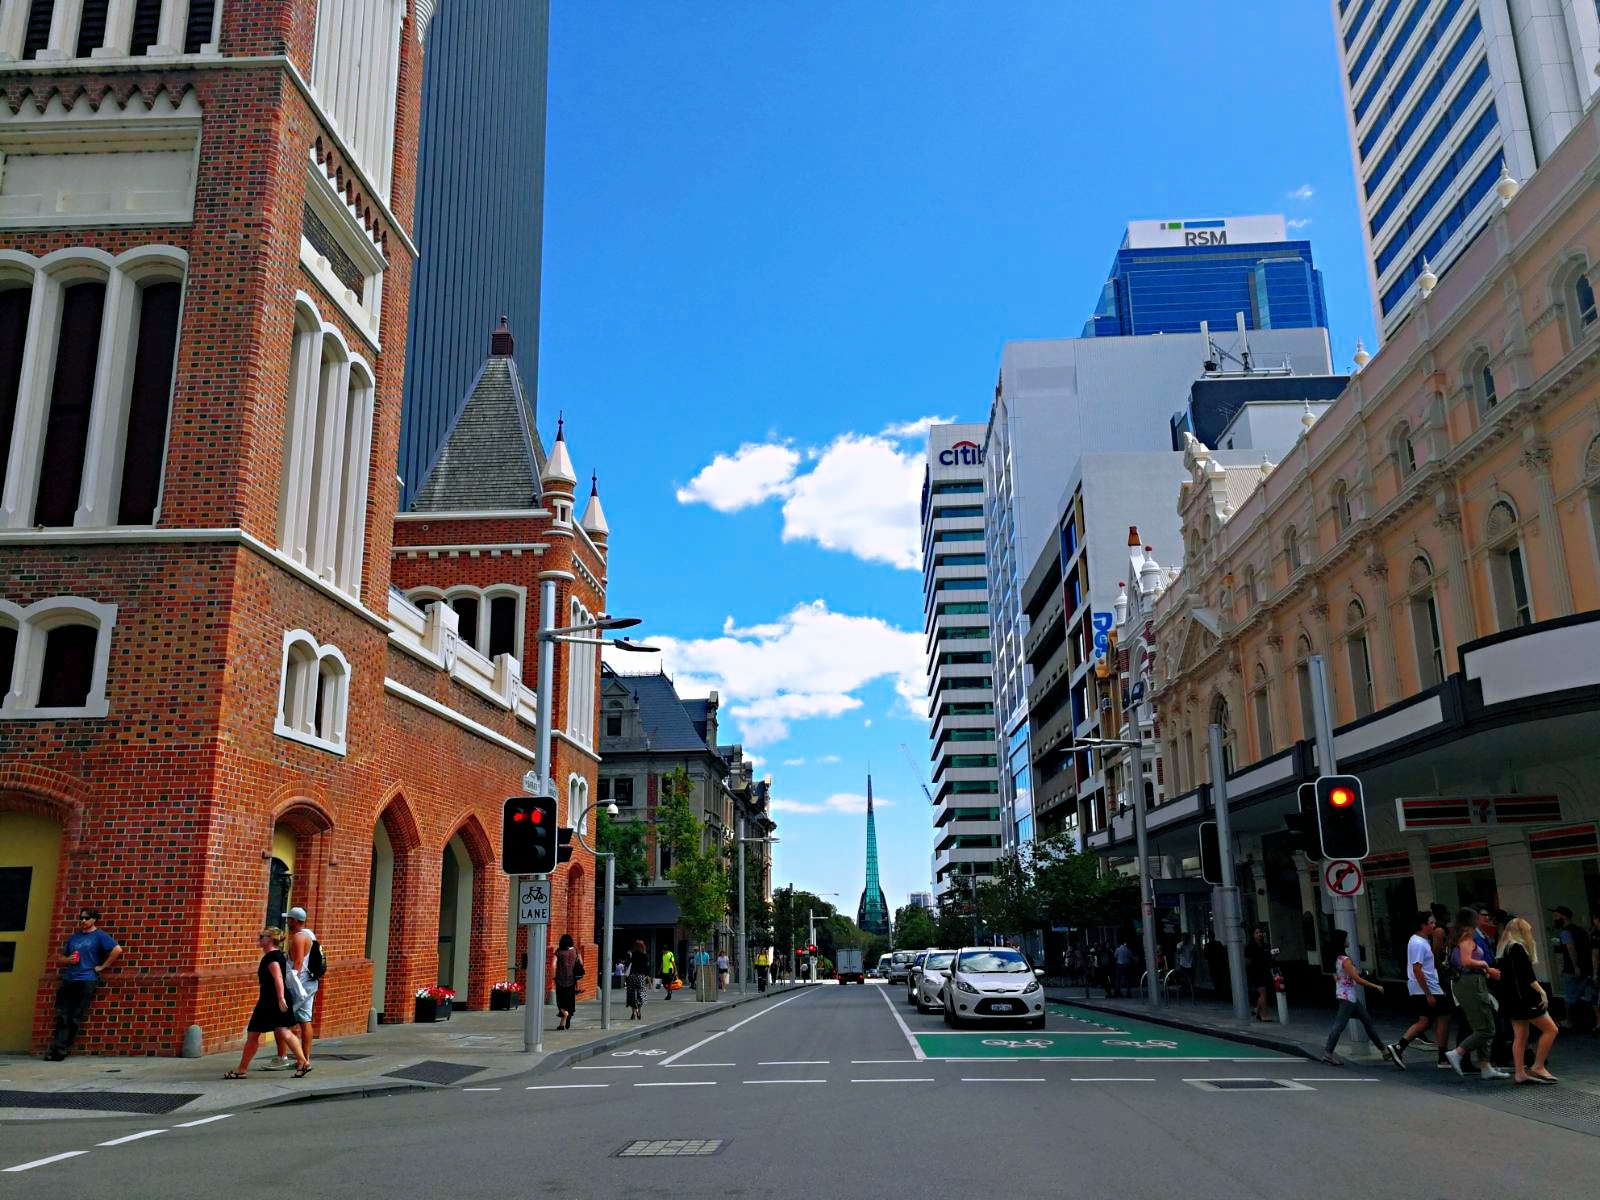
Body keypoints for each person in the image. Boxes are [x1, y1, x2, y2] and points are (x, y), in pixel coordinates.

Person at [225, 928, 310, 1079]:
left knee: (254, 1034)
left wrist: (280, 998)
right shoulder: (278, 955)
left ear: (270, 939)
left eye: (261, 937)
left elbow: (277, 978)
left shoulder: (271, 958)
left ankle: (241, 1069)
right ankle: (303, 1061)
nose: (259, 939)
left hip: (271, 1001)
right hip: (273, 1000)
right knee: (282, 1031)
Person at [46, 907, 123, 1061]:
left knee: (75, 1015)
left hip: (87, 978)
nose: (82, 921)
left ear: (94, 919)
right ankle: (58, 1048)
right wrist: (68, 961)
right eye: (81, 918)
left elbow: (117, 950)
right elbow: (60, 958)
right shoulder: (74, 938)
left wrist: (102, 966)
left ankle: (63, 1047)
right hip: (69, 978)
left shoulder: (99, 936)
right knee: (62, 1014)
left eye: (86, 918)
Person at [1444, 907, 1508, 1080]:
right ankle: (1457, 1053)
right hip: (1472, 983)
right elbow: (1466, 961)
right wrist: (1486, 967)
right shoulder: (1466, 938)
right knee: (1486, 1028)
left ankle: (1485, 1065)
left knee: (1482, 1023)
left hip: (1467, 982)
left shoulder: (1457, 937)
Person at [1320, 929, 1399, 1068]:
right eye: (1346, 938)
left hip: (1345, 995)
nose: (1348, 940)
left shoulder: (1336, 959)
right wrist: (1376, 986)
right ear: (1342, 941)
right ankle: (1328, 1053)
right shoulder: (1345, 960)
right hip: (1348, 997)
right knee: (1340, 1025)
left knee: (1366, 1020)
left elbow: (1339, 977)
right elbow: (1356, 979)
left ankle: (1383, 1050)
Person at [1497, 916, 1558, 1083]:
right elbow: (1527, 975)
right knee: (1551, 1030)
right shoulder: (1518, 948)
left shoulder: (1504, 948)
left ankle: (1519, 1072)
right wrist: (1542, 992)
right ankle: (1538, 1065)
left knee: (1520, 1036)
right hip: (1525, 998)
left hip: (1512, 999)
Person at [1390, 910, 1450, 1069]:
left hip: (1423, 987)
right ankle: (1443, 1056)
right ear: (1422, 925)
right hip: (1427, 987)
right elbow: (1417, 969)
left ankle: (1399, 1047)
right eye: (1430, 922)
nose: (1434, 925)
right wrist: (1429, 993)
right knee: (1444, 1017)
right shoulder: (1418, 943)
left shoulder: (1420, 941)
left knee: (1426, 1021)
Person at [266, 906, 319, 1070]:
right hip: (311, 983)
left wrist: (288, 983)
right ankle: (305, 1058)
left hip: (300, 985)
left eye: (289, 919)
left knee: (280, 1020)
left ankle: (282, 1057)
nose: (287, 922)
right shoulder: (311, 935)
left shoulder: (298, 938)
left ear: (295, 920)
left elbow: (297, 963)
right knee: (305, 1019)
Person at [1549, 906, 1591, 1029]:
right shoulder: (1581, 931)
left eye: (1557, 916)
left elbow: (1570, 948)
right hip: (1587, 967)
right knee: (1587, 993)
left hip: (1572, 969)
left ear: (1564, 916)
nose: (1555, 919)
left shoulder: (1565, 932)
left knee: (1569, 995)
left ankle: (1568, 1019)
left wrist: (1575, 966)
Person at [552, 932, 582, 1030]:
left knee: (560, 1000)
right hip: (572, 979)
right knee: (569, 1000)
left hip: (560, 979)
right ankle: (564, 1021)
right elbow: (581, 962)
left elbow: (553, 964)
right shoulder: (575, 950)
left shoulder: (559, 951)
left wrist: (553, 976)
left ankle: (565, 1015)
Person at [1245, 926, 1274, 1021]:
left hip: (1265, 971)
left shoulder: (1266, 946)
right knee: (1263, 993)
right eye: (1257, 932)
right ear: (1253, 935)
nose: (1259, 934)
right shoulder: (1249, 947)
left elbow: (1269, 957)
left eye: (1260, 932)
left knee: (1264, 993)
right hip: (1256, 972)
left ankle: (1257, 1010)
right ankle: (1264, 1014)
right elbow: (1247, 959)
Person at [626, 940, 651, 1020]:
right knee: (641, 994)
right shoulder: (644, 956)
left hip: (632, 976)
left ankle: (633, 1011)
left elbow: (627, 964)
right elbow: (647, 969)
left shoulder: (631, 954)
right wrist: (648, 979)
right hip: (640, 976)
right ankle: (639, 1010)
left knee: (631, 994)